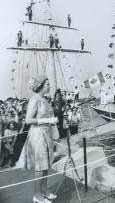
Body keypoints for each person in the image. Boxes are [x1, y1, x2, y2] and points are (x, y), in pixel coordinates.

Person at [17, 75, 59, 203]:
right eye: (47, 84)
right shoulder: (34, 100)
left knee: (45, 164)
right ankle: (37, 195)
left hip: (46, 133)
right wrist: (48, 120)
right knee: (40, 166)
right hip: (38, 134)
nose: (49, 86)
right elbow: (28, 120)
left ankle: (44, 191)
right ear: (40, 86)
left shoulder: (44, 99)